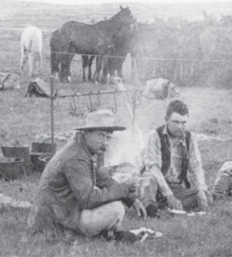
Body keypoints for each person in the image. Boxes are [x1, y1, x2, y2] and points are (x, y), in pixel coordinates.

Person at [29, 109, 146, 241]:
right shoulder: (76, 158)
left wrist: (130, 199)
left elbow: (100, 179)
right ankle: (92, 235)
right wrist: (124, 188)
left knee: (109, 196)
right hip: (53, 222)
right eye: (101, 136)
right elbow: (88, 200)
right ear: (86, 133)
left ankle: (107, 235)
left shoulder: (80, 149)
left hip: (59, 213)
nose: (105, 143)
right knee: (116, 208)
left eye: (108, 137)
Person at [136, 100, 210, 214]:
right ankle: (151, 205)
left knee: (206, 196)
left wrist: (201, 189)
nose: (180, 127)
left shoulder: (190, 137)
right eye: (175, 122)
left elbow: (196, 166)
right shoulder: (154, 136)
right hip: (155, 185)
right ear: (166, 119)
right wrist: (168, 194)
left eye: (183, 123)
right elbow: (153, 168)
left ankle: (163, 205)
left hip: (175, 187)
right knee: (148, 179)